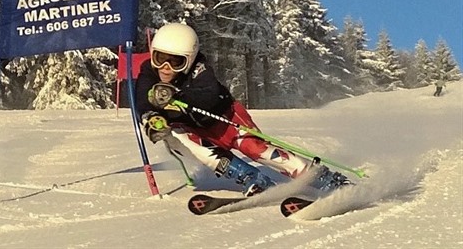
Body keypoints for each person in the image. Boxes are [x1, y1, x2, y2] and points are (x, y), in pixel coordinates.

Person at [135, 23, 348, 196]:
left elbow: (208, 95)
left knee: (254, 148)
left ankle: (317, 176)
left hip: (225, 119)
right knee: (176, 137)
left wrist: (178, 96)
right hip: (196, 131)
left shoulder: (200, 68)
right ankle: (252, 179)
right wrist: (151, 119)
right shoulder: (148, 73)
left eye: (176, 62)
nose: (166, 67)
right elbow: (142, 102)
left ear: (189, 60)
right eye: (161, 59)